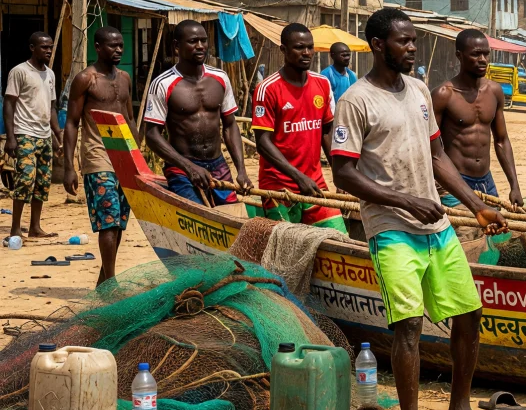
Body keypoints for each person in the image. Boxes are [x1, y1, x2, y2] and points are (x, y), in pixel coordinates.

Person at [330, 7, 508, 410]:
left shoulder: (418, 91)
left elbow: (437, 157)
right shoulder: (356, 100)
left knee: (468, 315)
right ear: (378, 46)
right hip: (391, 229)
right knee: (407, 324)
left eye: (413, 41)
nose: (411, 48)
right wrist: (404, 201)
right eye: (403, 42)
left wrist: (477, 205)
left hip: (437, 226)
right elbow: (343, 173)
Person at [142, 20, 252, 211]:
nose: (200, 46)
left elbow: (229, 125)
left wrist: (241, 170)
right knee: (197, 215)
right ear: (177, 46)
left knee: (232, 216)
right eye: (193, 41)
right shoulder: (163, 84)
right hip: (181, 168)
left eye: (203, 41)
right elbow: (152, 135)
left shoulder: (220, 78)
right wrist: (188, 167)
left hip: (218, 164)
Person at [251, 23, 346, 232]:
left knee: (338, 236)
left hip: (314, 184)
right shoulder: (267, 89)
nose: (306, 53)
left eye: (310, 47)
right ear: (283, 50)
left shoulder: (322, 84)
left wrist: (341, 174)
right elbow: (262, 143)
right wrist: (297, 176)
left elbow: (326, 132)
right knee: (284, 250)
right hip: (279, 188)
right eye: (299, 47)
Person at [62, 26, 134, 285]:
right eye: (112, 46)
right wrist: (68, 166)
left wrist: (139, 158)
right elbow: (71, 122)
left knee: (120, 222)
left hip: (124, 157)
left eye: (120, 46)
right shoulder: (86, 79)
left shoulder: (125, 78)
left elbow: (130, 118)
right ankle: (112, 285)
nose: (118, 50)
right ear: (98, 47)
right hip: (96, 155)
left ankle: (104, 281)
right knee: (108, 220)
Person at [432, 29, 524, 214]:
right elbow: (431, 148)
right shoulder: (444, 95)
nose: (483, 59)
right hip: (454, 183)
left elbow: (501, 140)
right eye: (475, 54)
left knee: (495, 234)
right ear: (459, 55)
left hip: (486, 182)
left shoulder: (494, 91)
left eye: (486, 54)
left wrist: (514, 185)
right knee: (469, 235)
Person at [5, 32, 60, 241]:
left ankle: (35, 227)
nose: (48, 50)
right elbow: (9, 103)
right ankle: (15, 228)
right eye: (44, 47)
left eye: (50, 47)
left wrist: (58, 134)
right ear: (32, 48)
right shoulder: (19, 72)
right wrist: (11, 137)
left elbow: (52, 107)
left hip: (44, 135)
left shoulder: (51, 74)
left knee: (43, 182)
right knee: (25, 181)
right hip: (25, 133)